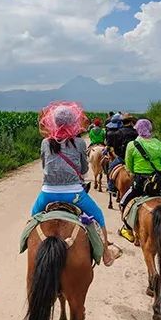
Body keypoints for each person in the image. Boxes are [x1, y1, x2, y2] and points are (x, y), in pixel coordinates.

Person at [32, 102, 121, 266]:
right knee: (99, 215)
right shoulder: (79, 143)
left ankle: (27, 247)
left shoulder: (45, 143)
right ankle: (106, 254)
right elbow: (83, 168)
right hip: (74, 194)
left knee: (32, 220)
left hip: (47, 193)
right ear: (73, 122)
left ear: (54, 121)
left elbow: (45, 165)